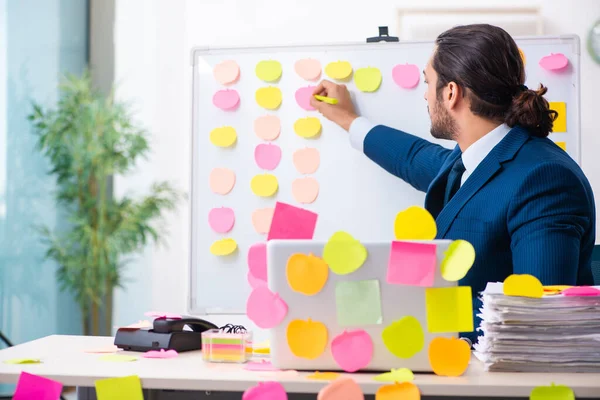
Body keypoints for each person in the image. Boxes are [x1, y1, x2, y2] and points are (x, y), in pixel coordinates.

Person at [310, 24, 596, 345]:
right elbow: (413, 157)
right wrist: (348, 120)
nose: (424, 94)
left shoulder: (544, 180)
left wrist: (408, 314)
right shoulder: (471, 158)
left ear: (450, 93)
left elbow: (536, 317)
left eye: (427, 82)